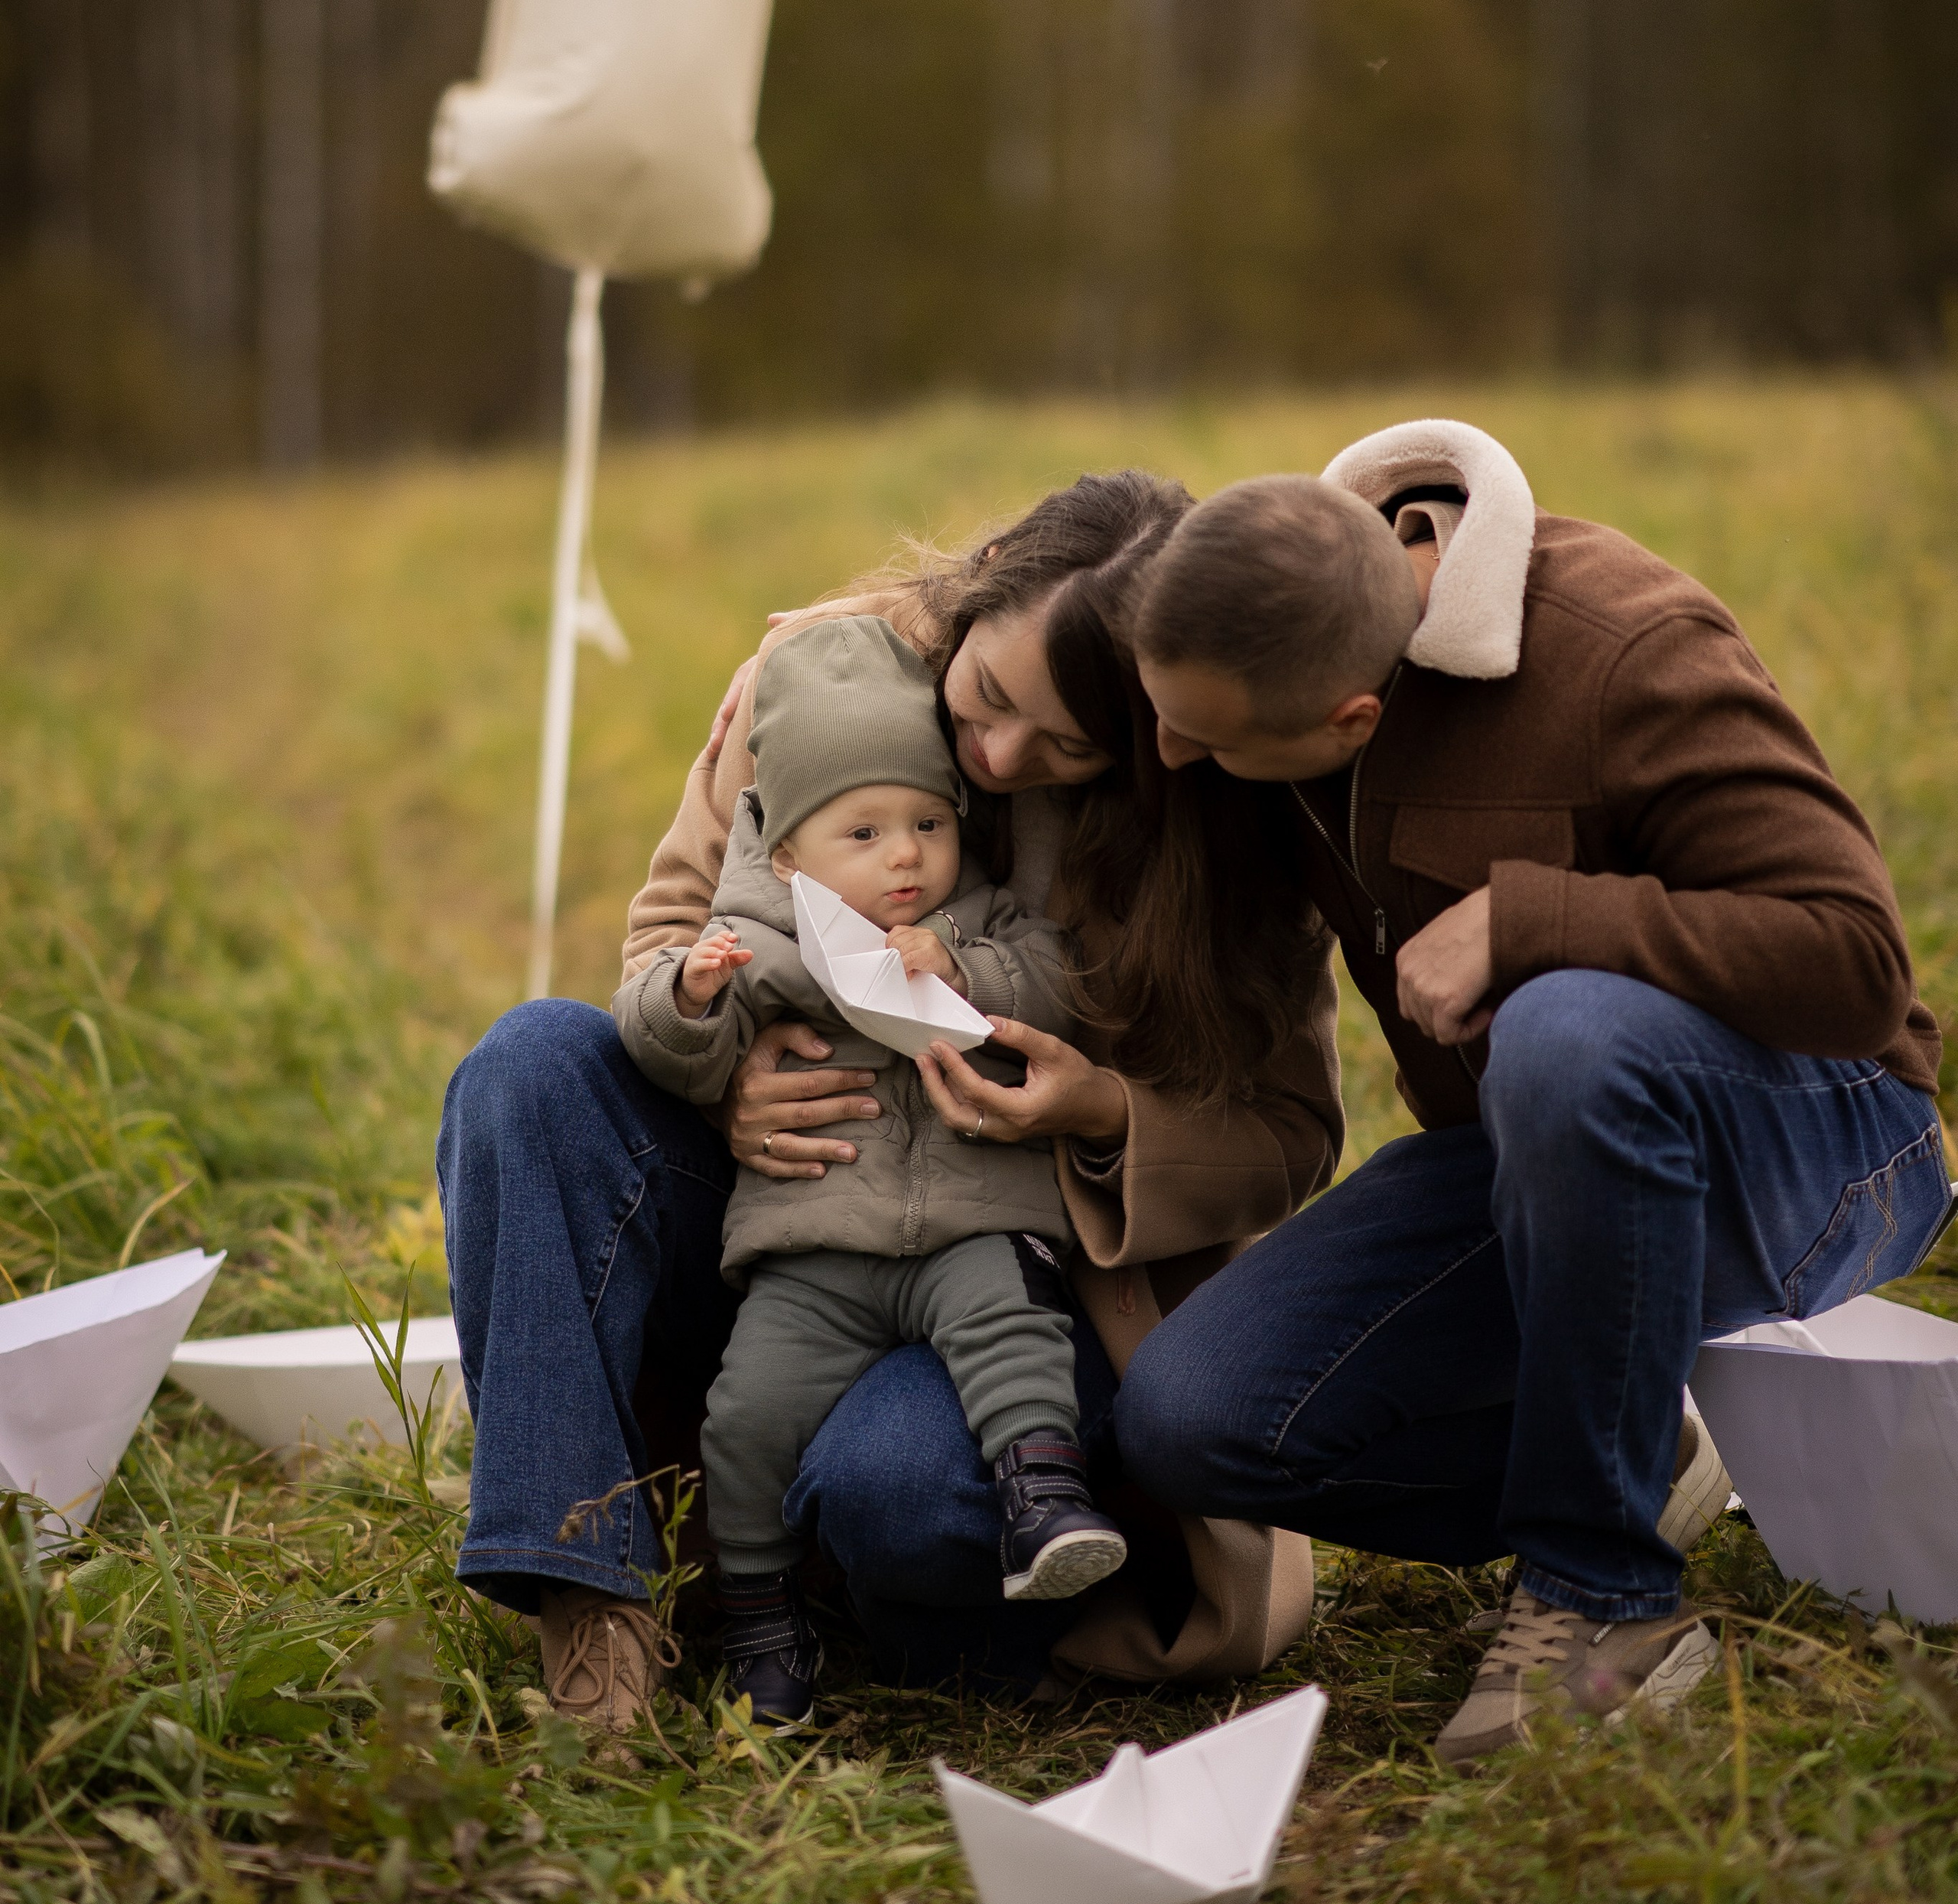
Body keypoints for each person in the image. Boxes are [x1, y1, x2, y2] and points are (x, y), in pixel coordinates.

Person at [437, 470, 1337, 1734]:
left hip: (1006, 1270)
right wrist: (724, 1068)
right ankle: (589, 1581)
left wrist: (1100, 1114)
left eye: (1068, 747)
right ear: (974, 601)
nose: (999, 756)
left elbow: (1291, 1134)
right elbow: (669, 931)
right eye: (988, 697)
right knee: (528, 1064)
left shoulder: (1218, 811)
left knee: (899, 1494)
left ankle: (861, 1569)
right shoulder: (822, 684)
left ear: (1158, 738)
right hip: (785, 1225)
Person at [1115, 418, 1953, 1765]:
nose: (1166, 753)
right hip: (1532, 1166)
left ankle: (1605, 1596)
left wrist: (1535, 919)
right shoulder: (1274, 611)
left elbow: (1856, 963)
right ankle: (1639, 1450)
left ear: (1351, 720)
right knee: (1192, 1418)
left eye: (1204, 741)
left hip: (1824, 1141)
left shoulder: (1626, 648)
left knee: (1565, 1026)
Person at [616, 612, 1128, 1727]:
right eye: (866, 831)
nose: (907, 855)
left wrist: (963, 960)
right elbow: (667, 1048)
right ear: (790, 852)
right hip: (813, 1249)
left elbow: (1058, 978)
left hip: (973, 1222)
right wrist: (695, 998)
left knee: (1013, 1324)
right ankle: (757, 1605)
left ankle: (1044, 1494)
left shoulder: (976, 911)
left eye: (928, 821)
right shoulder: (758, 933)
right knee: (747, 1415)